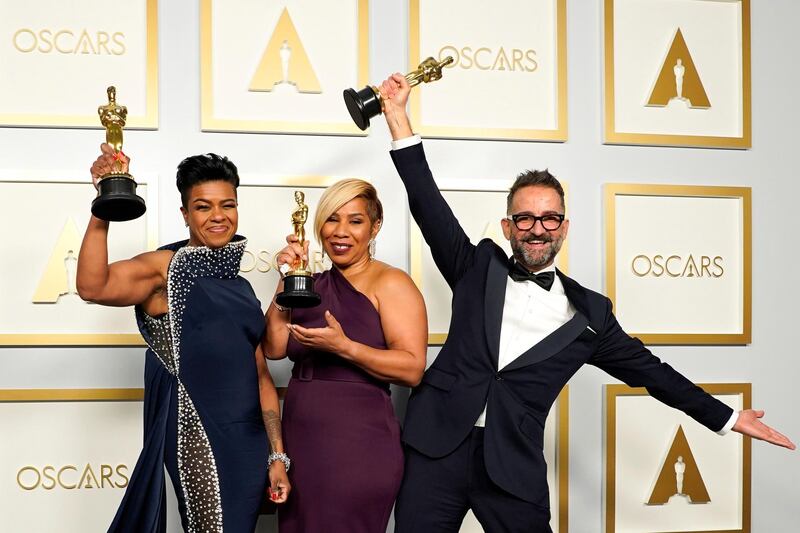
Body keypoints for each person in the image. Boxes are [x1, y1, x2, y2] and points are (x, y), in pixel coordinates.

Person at [377, 73, 796, 533]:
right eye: (525, 218)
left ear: (565, 227)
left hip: (512, 466)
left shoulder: (591, 317)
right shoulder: (477, 266)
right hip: (437, 451)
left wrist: (729, 416)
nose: (538, 228)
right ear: (507, 226)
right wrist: (397, 116)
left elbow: (652, 374)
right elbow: (427, 202)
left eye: (550, 218)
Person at [77, 144, 290, 533]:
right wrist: (101, 208)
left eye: (228, 205)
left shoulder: (242, 287)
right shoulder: (165, 270)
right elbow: (94, 286)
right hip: (197, 434)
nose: (218, 217)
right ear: (185, 214)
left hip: (250, 440)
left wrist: (277, 454)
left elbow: (260, 374)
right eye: (203, 207)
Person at [263, 179, 427, 533]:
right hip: (302, 443)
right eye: (332, 220)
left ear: (375, 226)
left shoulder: (391, 283)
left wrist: (345, 347)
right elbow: (274, 349)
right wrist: (286, 279)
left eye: (355, 221)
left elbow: (412, 369)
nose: (341, 232)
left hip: (359, 444)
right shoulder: (312, 284)